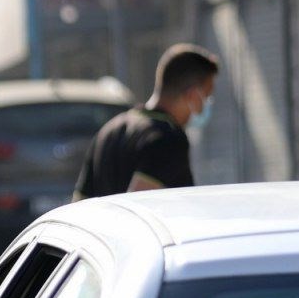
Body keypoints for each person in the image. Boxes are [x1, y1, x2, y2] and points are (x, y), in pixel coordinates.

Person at [73, 44, 220, 200]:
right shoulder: (168, 139)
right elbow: (139, 205)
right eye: (207, 97)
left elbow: (78, 205)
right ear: (192, 96)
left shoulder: (109, 130)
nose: (206, 105)